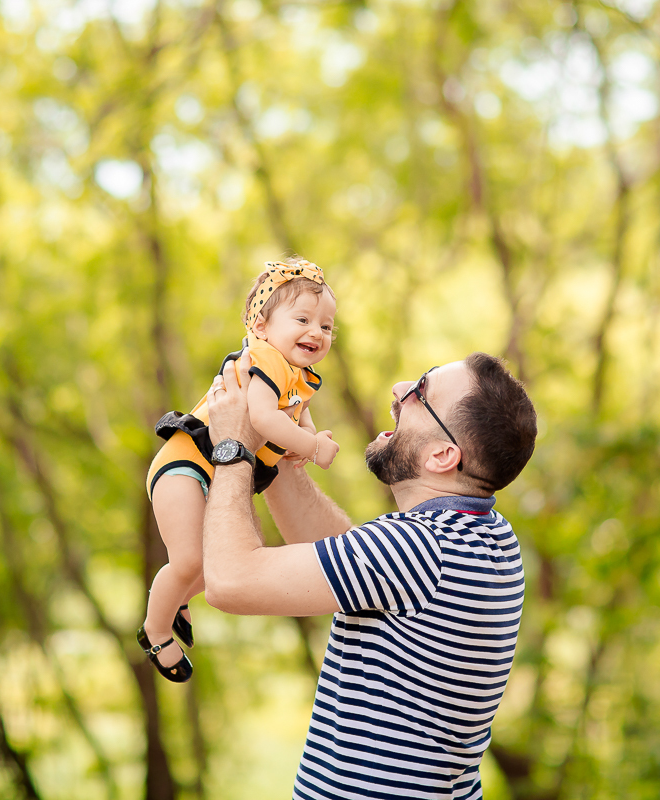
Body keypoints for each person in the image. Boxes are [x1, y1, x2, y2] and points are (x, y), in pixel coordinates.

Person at [202, 350, 537, 800]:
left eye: (420, 392)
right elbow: (351, 565)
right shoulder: (486, 536)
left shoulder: (420, 549)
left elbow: (229, 582)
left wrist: (233, 448)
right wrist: (277, 444)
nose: (399, 391)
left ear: (442, 455)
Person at [138, 257, 341, 683]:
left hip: (211, 473)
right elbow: (265, 420)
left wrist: (306, 433)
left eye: (326, 326)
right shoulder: (265, 360)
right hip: (184, 464)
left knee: (217, 564)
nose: (316, 332)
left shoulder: (298, 374)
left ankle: (173, 601)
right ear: (262, 326)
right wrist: (313, 447)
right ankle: (155, 629)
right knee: (190, 559)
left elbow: (297, 414)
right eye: (302, 319)